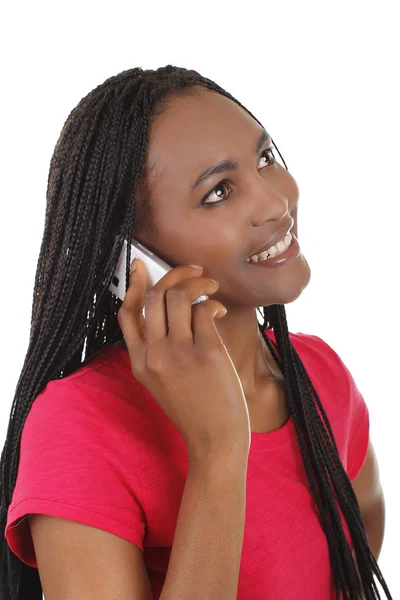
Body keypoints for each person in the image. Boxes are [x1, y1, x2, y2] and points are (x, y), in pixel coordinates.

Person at [0, 65, 393, 599]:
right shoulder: (78, 425)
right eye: (219, 192)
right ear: (128, 257)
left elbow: (362, 533)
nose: (276, 204)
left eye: (265, 159)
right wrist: (218, 452)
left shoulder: (318, 374)